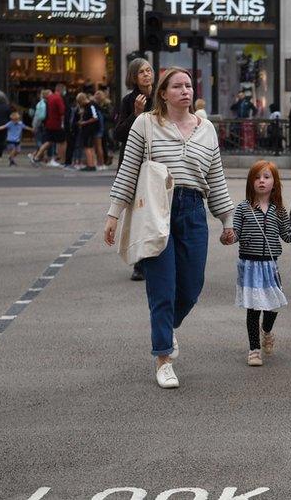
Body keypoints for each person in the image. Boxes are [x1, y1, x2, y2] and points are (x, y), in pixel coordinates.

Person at [104, 67, 235, 389]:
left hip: (192, 211)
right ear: (163, 93)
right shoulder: (145, 124)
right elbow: (128, 172)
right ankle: (163, 357)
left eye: (189, 85)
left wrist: (227, 220)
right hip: (156, 210)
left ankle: (166, 329)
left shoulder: (207, 130)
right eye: (177, 86)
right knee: (161, 290)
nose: (185, 91)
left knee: (191, 287)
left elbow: (216, 178)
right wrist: (113, 215)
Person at [230, 160, 291, 367]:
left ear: (275, 182)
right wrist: (229, 236)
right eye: (257, 177)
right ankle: (254, 349)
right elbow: (235, 233)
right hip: (250, 265)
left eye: (266, 177)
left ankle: (267, 331)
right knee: (253, 309)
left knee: (273, 306)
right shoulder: (243, 209)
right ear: (250, 182)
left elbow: (288, 236)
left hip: (270, 266)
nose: (261, 181)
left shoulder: (278, 211)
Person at [113, 58, 155, 282]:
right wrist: (136, 115)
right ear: (134, 77)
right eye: (141, 72)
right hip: (135, 164)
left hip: (159, 163)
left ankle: (156, 258)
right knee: (139, 214)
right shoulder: (129, 100)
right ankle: (139, 263)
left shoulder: (162, 96)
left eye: (149, 70)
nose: (147, 75)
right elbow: (118, 134)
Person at [36, 83, 67, 167]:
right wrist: (62, 124)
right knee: (62, 142)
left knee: (49, 141)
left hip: (49, 123)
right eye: (64, 90)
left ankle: (37, 157)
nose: (65, 92)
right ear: (61, 90)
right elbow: (62, 112)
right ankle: (61, 160)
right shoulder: (58, 98)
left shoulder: (50, 98)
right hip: (57, 124)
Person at [70, 92, 99, 172]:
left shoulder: (91, 105)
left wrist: (84, 122)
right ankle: (92, 164)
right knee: (90, 147)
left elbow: (95, 117)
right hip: (89, 129)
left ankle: (90, 165)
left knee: (87, 147)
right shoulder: (87, 106)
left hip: (89, 129)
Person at [93, 90, 113, 168]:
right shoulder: (96, 105)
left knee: (106, 143)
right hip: (100, 126)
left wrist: (101, 113)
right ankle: (104, 160)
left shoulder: (107, 104)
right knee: (102, 144)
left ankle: (106, 159)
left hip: (107, 126)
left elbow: (110, 116)